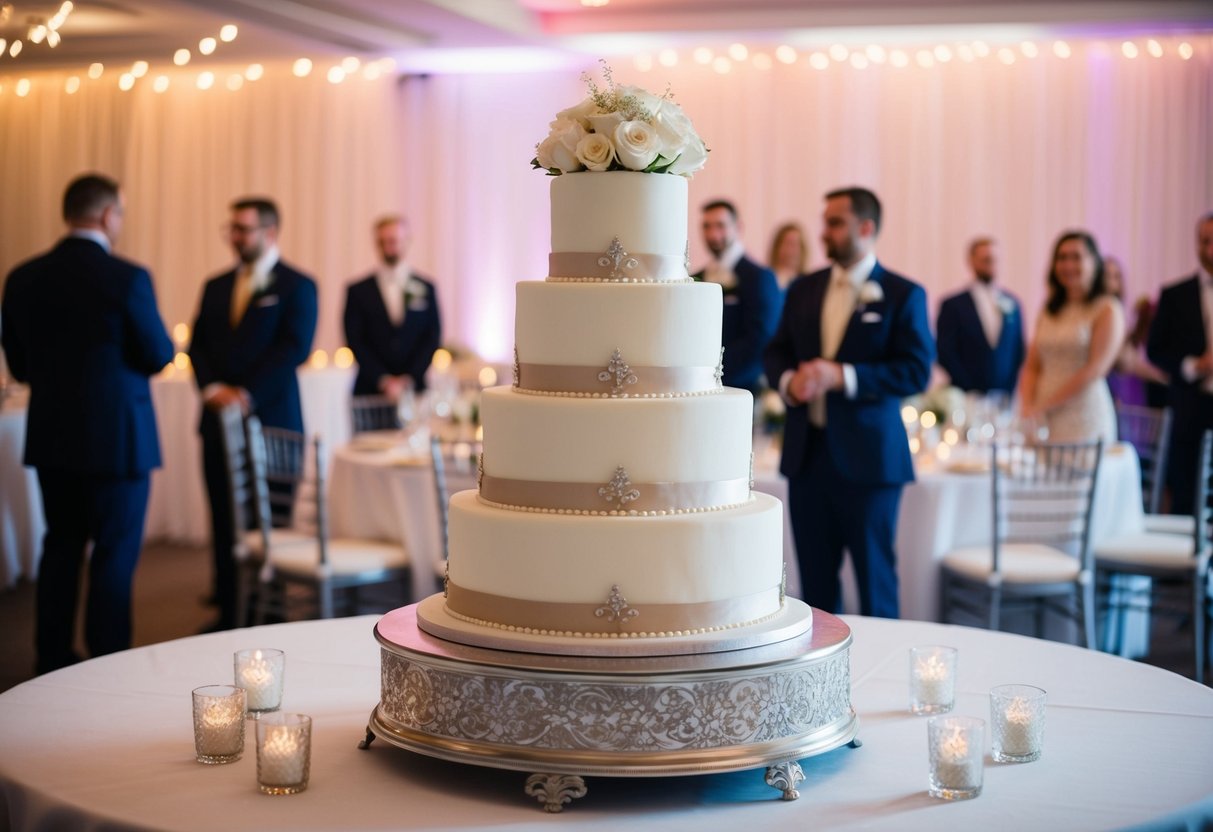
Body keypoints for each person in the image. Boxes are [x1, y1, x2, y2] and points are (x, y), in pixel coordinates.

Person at [1, 173, 173, 673]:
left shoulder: (22, 276)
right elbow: (159, 353)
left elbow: (19, 365)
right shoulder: (127, 277)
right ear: (105, 215)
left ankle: (50, 659)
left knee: (61, 547)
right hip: (119, 440)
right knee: (114, 555)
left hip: (54, 436)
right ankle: (107, 663)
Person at [764, 187, 934, 618]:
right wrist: (788, 382)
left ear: (866, 228)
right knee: (815, 588)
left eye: (835, 223)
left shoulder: (902, 294)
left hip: (871, 463)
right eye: (825, 222)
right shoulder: (804, 288)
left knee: (875, 582)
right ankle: (821, 679)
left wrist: (844, 376)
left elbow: (916, 371)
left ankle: (886, 675)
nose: (824, 232)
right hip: (808, 458)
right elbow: (776, 350)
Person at [188, 197, 318, 631]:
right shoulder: (215, 284)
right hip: (217, 422)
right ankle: (229, 611)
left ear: (270, 233)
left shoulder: (298, 285)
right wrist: (212, 388)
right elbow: (198, 346)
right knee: (224, 519)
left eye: (245, 229)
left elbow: (293, 349)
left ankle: (267, 614)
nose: (237, 238)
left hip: (273, 422)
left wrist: (245, 393)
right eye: (233, 229)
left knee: (271, 521)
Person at [1019, 230, 1124, 443]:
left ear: (1094, 263)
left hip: (1082, 414)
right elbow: (1032, 366)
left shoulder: (1107, 309)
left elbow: (1095, 369)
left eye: (1076, 257)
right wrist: (1028, 405)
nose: (1068, 265)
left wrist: (1045, 405)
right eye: (1062, 257)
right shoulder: (1049, 310)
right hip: (1042, 417)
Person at [1147, 212, 1213, 515]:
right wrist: (1194, 366)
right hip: (1190, 408)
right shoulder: (1175, 295)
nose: (1210, 248)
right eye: (1205, 241)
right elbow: (1155, 350)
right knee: (1186, 494)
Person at [343, 215, 442, 399]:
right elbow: (354, 339)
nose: (389, 247)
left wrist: (410, 378)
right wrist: (383, 380)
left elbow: (433, 336)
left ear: (407, 241)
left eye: (394, 240)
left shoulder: (426, 288)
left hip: (415, 389)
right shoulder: (357, 291)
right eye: (382, 242)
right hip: (370, 390)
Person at [694, 200, 782, 393]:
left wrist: (714, 374)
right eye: (706, 227)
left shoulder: (760, 277)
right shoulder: (695, 278)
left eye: (720, 226)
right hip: (696, 386)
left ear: (738, 227)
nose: (713, 234)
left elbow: (761, 338)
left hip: (740, 386)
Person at [935, 237, 1026, 394]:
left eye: (994, 259)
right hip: (966, 393)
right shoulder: (953, 305)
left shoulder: (1013, 303)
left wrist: (1009, 388)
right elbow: (944, 351)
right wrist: (967, 386)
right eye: (985, 259)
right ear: (971, 261)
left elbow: (1018, 349)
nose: (991, 264)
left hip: (1004, 396)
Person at [1103, 256, 1168, 407]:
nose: (1111, 281)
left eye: (1116, 276)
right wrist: (1161, 377)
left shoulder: (1121, 314)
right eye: (1106, 275)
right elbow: (1125, 361)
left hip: (1127, 386)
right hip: (1110, 386)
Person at [768, 222, 809, 290]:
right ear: (777, 246)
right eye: (788, 243)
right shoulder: (767, 279)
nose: (791, 249)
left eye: (795, 244)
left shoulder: (809, 282)